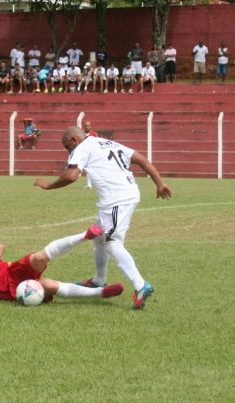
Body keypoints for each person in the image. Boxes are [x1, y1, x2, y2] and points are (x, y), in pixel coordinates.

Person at [33, 126, 173, 310]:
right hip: (119, 197)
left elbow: (71, 176)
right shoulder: (106, 143)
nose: (69, 151)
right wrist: (159, 183)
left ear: (74, 140)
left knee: (112, 242)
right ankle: (99, 281)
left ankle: (141, 285)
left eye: (68, 147)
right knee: (99, 237)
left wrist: (48, 186)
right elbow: (140, 158)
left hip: (117, 199)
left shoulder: (82, 147)